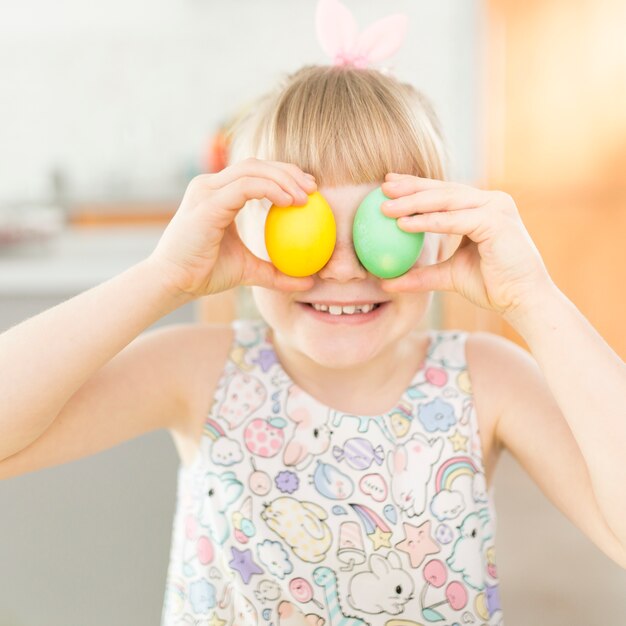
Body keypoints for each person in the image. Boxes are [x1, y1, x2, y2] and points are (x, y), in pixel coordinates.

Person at [2, 5, 626, 626]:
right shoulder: (203, 371)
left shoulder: (485, 380)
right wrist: (162, 279)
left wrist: (535, 298)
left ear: (439, 230)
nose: (345, 270)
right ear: (246, 235)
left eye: (382, 226)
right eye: (305, 227)